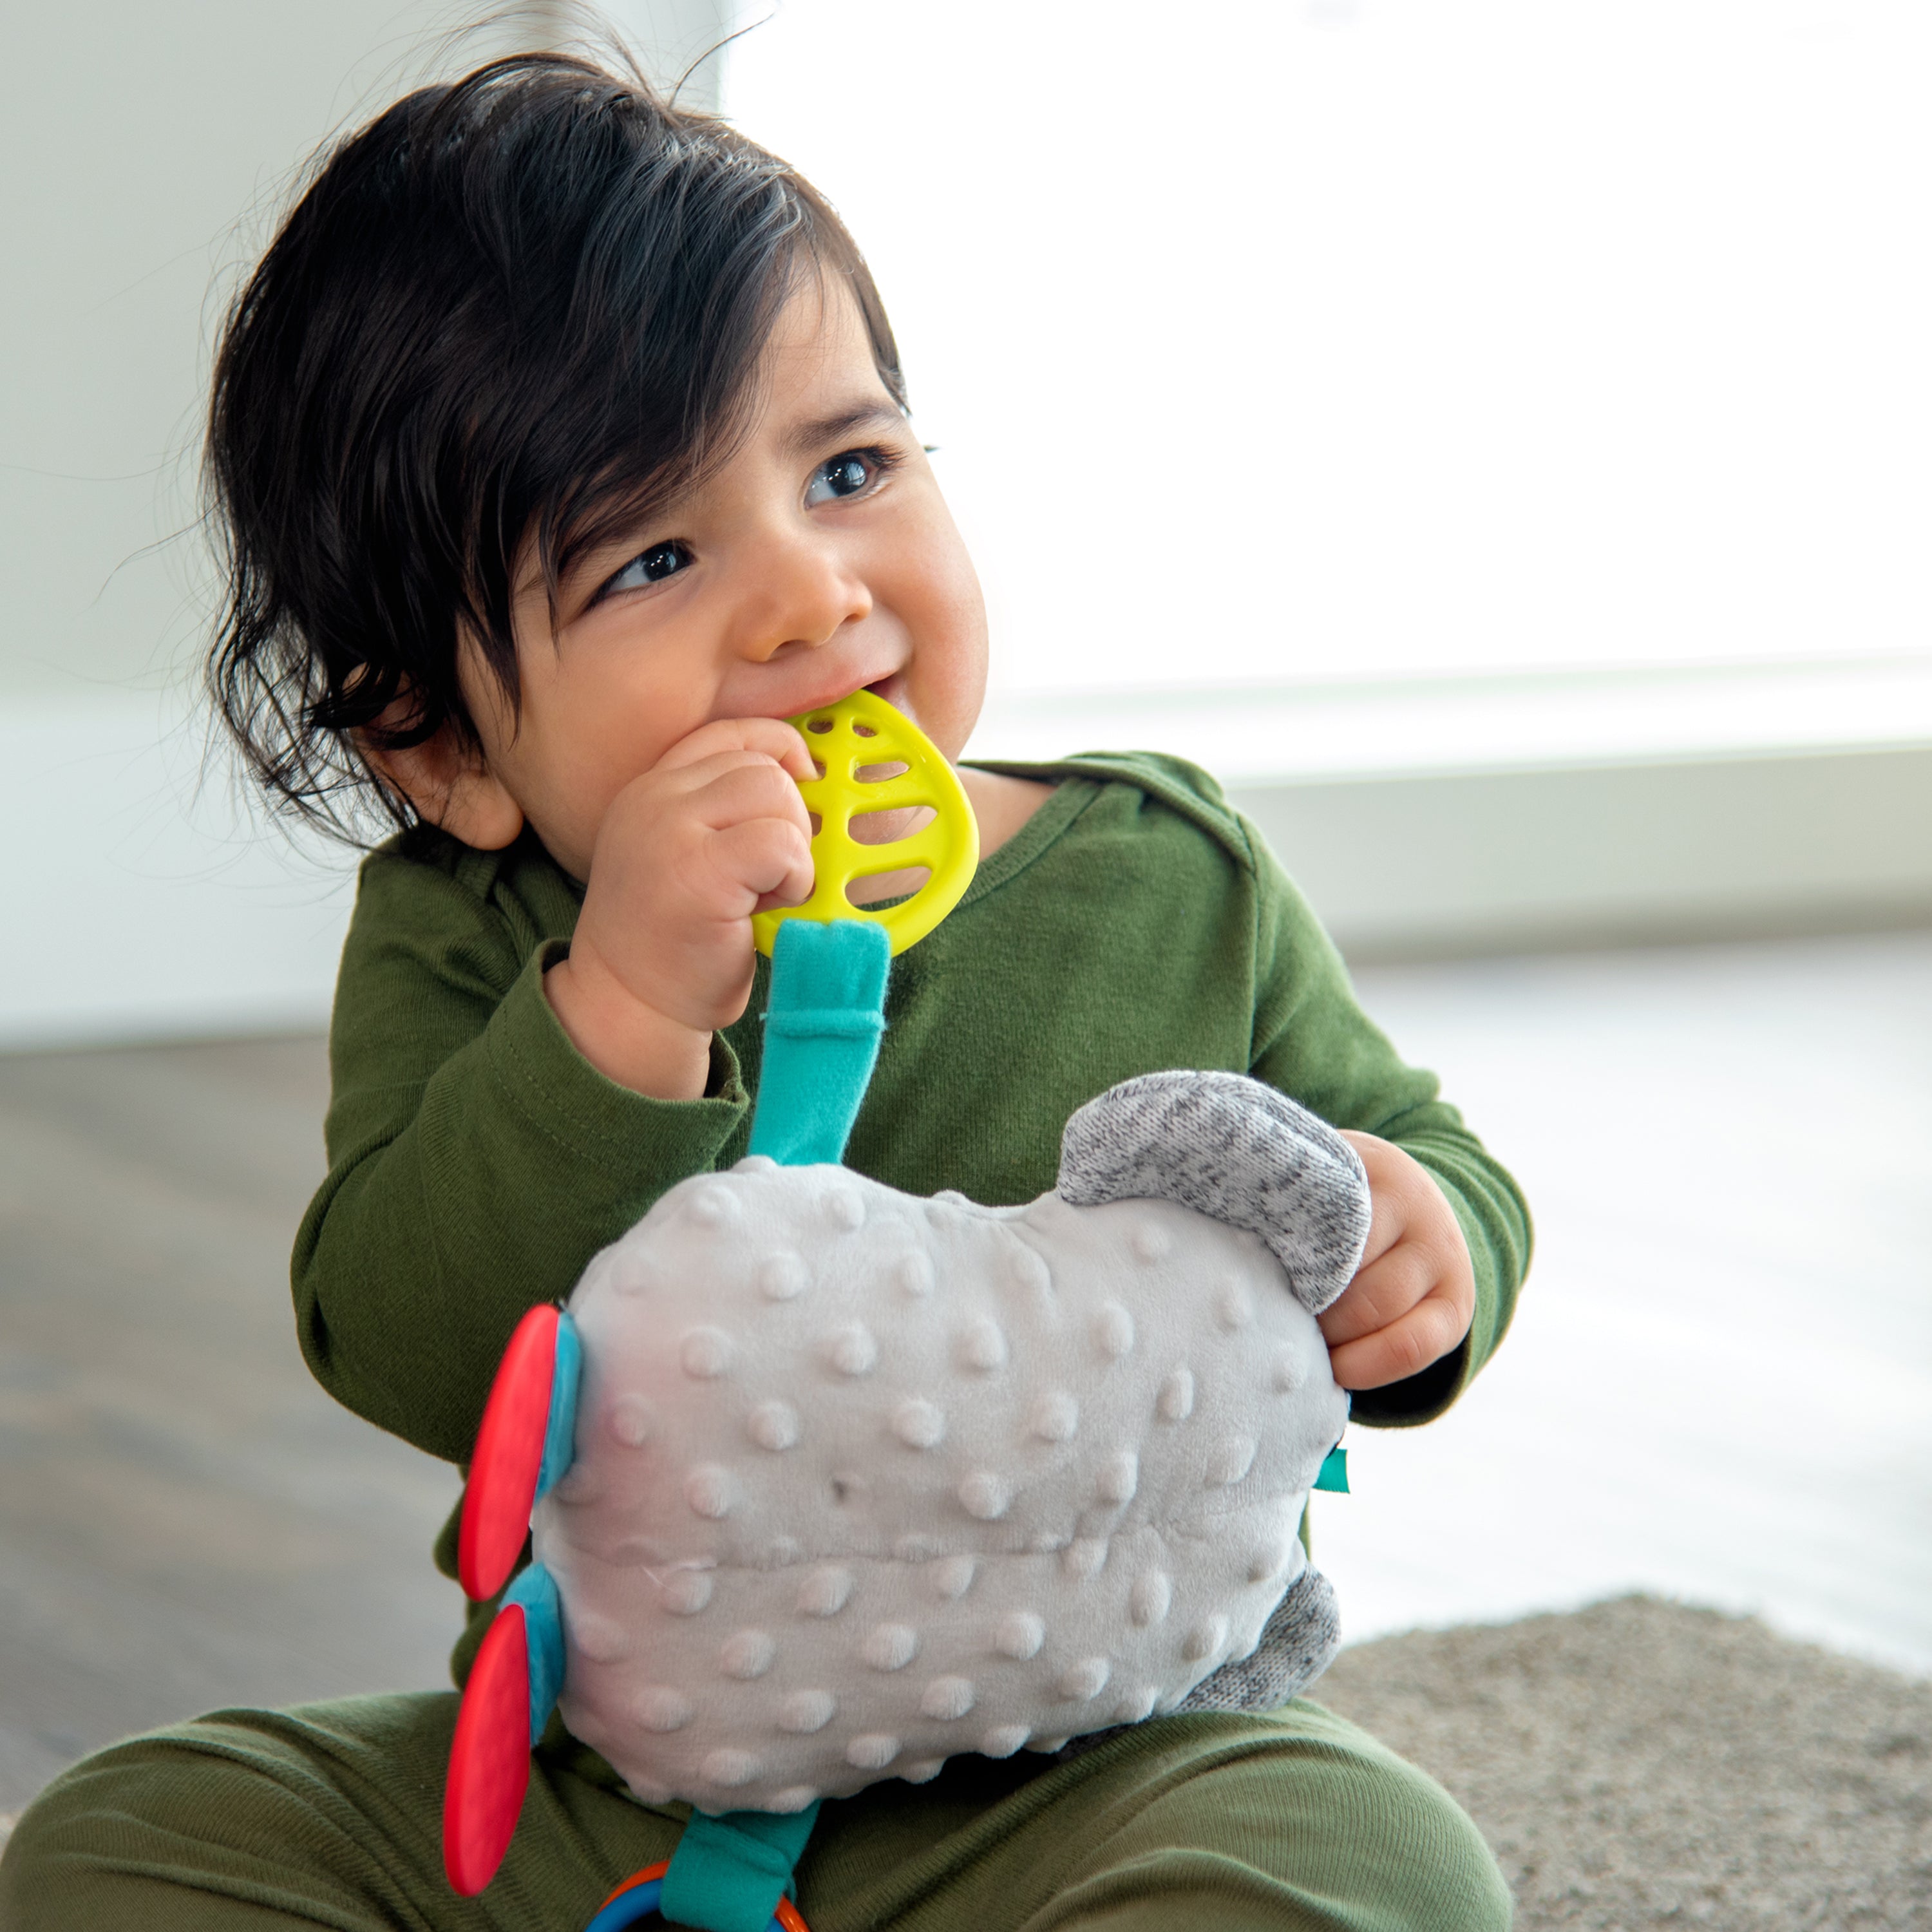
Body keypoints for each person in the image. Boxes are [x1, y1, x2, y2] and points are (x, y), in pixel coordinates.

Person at [0, 45, 1530, 1932]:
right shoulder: (478, 931)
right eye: (651, 555)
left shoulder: (1165, 875)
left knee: (1375, 1858)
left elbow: (1412, 1151)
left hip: (1098, 1765)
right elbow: (408, 1341)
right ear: (442, 749)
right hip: (595, 1793)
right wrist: (626, 1003)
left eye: (851, 467)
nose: (809, 595)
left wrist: (1423, 1242)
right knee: (129, 1837)